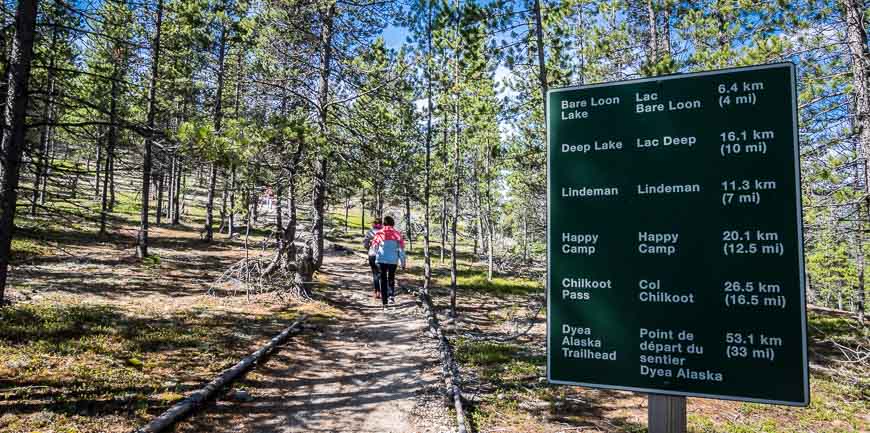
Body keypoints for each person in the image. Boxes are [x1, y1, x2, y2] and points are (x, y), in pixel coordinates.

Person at [371, 215, 406, 310]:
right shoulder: (397, 234)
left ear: (384, 223)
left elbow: (374, 247)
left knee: (382, 279)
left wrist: (377, 253)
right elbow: (401, 250)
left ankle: (384, 302)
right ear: (393, 223)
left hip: (381, 259)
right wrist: (403, 263)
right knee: (391, 277)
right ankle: (391, 296)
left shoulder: (379, 233)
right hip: (393, 260)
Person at [363, 218, 383, 299]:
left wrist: (369, 248)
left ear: (374, 224)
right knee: (382, 273)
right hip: (382, 255)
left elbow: (365, 244)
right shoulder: (384, 232)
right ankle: (382, 291)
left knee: (375, 273)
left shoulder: (370, 232)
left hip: (372, 254)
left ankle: (377, 291)